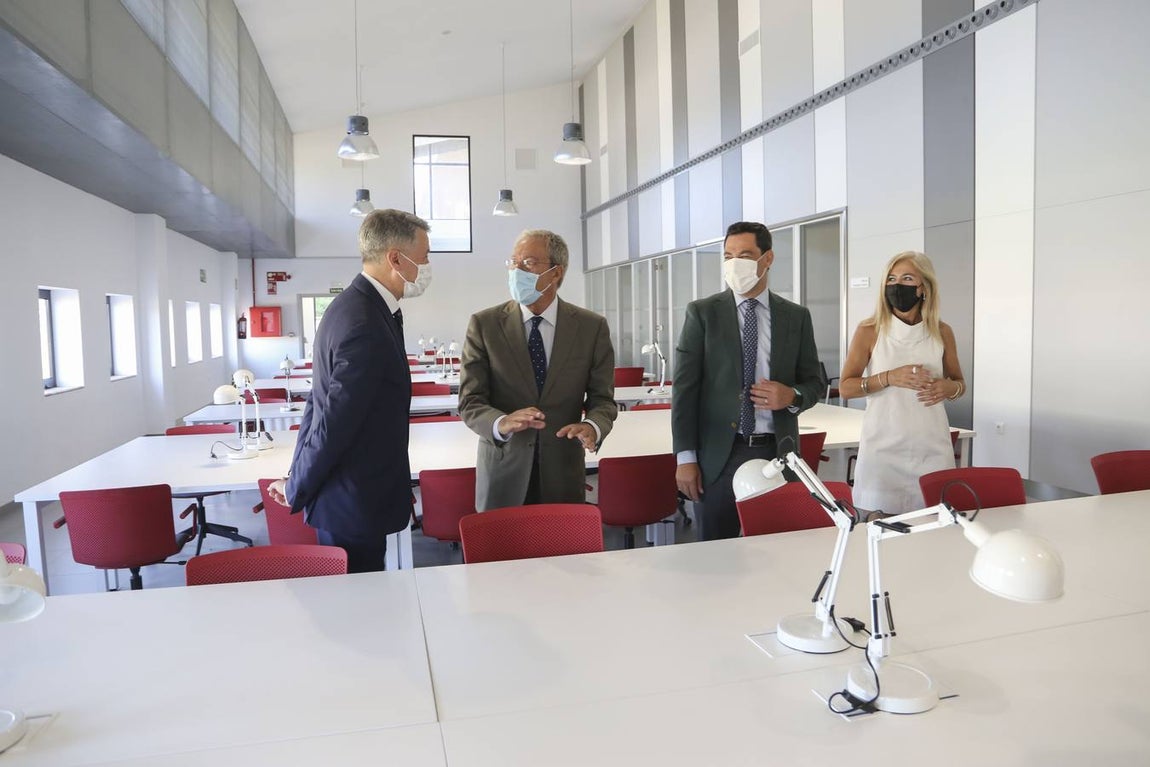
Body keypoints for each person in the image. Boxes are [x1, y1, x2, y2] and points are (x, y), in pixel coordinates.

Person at [266, 209, 431, 572]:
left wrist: (296, 475)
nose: (427, 267)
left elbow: (319, 404)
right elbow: (334, 422)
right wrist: (297, 486)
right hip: (353, 501)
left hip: (352, 495)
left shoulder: (358, 308)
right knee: (359, 613)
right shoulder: (365, 322)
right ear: (395, 258)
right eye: (424, 258)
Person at [672, 221, 825, 540]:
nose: (734, 263)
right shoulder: (702, 314)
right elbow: (685, 392)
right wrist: (685, 459)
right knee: (716, 552)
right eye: (728, 256)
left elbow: (814, 383)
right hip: (719, 455)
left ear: (767, 258)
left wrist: (792, 396)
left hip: (777, 453)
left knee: (778, 548)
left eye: (744, 254)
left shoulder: (795, 317)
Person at [459, 229, 618, 511]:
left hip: (563, 472)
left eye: (529, 262)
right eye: (513, 262)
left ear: (556, 273)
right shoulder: (484, 325)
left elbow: (602, 400)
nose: (516, 270)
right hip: (502, 469)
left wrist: (592, 426)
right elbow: (470, 401)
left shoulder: (591, 327)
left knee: (561, 554)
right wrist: (501, 422)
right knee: (502, 554)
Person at [842, 250, 965, 515]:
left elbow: (959, 383)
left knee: (933, 532)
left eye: (907, 278)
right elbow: (846, 387)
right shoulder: (869, 330)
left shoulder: (942, 332)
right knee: (879, 531)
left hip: (931, 446)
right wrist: (889, 377)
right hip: (883, 449)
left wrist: (948, 388)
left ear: (924, 287)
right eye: (891, 279)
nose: (897, 286)